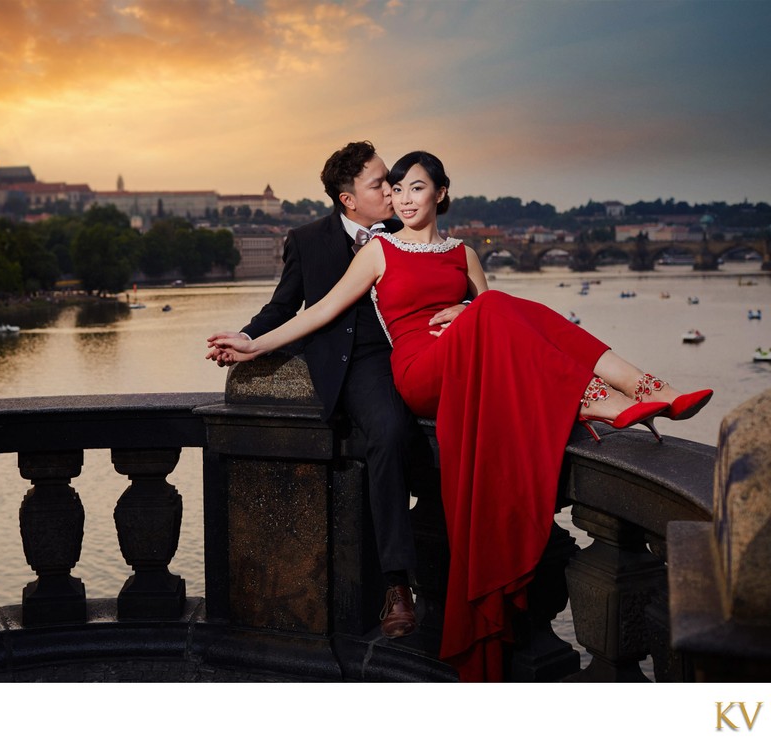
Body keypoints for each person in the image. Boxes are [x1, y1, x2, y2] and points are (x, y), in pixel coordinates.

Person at [207, 150, 713, 681]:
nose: (400, 196)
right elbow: (319, 311)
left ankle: (639, 387)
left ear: (440, 194)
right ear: (359, 197)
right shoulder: (378, 249)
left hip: (460, 364)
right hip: (416, 369)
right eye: (393, 187)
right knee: (491, 313)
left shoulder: (464, 253)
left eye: (412, 188)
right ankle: (613, 396)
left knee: (504, 308)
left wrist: (471, 311)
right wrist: (251, 345)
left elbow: (510, 334)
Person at [206, 142, 462, 639]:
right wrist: (248, 341)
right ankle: (397, 586)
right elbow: (286, 307)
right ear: (349, 200)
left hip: (416, 351)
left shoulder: (406, 226)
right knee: (386, 430)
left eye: (395, 180)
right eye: (380, 183)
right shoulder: (306, 239)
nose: (393, 190)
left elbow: (455, 280)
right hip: (360, 362)